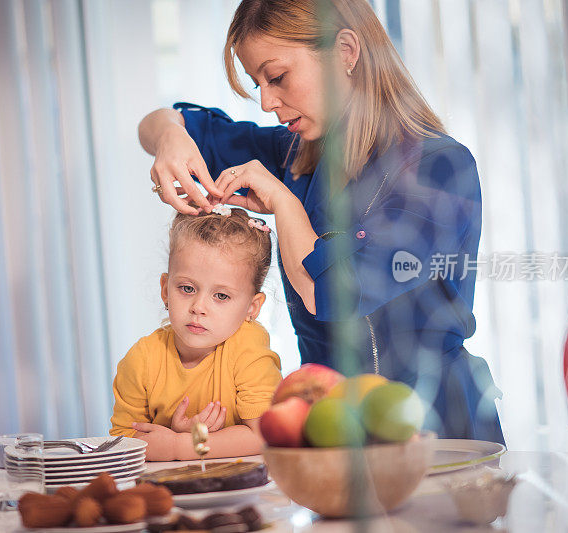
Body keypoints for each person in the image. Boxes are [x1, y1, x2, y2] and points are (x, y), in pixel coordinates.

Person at [138, 0, 504, 443]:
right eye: (257, 83)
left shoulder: (440, 169)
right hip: (331, 431)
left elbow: (331, 292)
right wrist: (170, 140)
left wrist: (283, 202)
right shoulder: (295, 155)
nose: (267, 102)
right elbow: (165, 122)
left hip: (435, 428)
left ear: (345, 52)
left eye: (277, 77)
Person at [110, 208, 282, 460]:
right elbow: (123, 442)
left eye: (221, 296)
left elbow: (266, 434)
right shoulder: (141, 360)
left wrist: (181, 445)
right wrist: (177, 432)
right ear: (165, 290)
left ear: (251, 308)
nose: (198, 308)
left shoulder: (248, 346)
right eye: (187, 288)